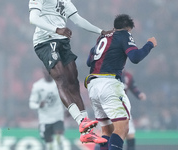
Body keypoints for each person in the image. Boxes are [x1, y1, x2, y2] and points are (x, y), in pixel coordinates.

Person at [28, 0, 110, 144]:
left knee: (73, 81)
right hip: (45, 41)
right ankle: (81, 121)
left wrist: (100, 31)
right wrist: (56, 29)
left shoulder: (65, 1)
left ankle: (87, 132)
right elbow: (33, 18)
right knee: (61, 79)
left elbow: (77, 20)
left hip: (62, 40)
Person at [85, 14, 157, 150]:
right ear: (127, 28)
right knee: (122, 128)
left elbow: (89, 61)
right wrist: (149, 44)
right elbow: (135, 57)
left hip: (93, 85)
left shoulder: (102, 37)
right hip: (109, 84)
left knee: (106, 131)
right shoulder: (124, 34)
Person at [94, 70, 147, 150]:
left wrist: (139, 94)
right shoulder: (107, 75)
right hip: (109, 108)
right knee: (106, 133)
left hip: (123, 108)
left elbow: (134, 88)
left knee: (130, 135)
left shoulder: (128, 76)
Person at [29, 69, 71, 150]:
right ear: (43, 73)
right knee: (49, 141)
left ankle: (59, 145)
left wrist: (68, 108)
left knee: (59, 135)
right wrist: (38, 105)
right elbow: (31, 103)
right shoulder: (37, 86)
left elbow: (65, 97)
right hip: (45, 119)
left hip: (57, 116)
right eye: (46, 72)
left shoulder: (59, 84)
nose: (48, 74)